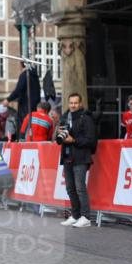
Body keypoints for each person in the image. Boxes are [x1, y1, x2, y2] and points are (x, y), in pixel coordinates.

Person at [56, 93, 96, 228]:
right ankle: (76, 215)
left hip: (81, 157)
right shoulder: (65, 117)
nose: (73, 105)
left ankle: (86, 217)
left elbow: (91, 141)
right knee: (70, 188)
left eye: (75, 103)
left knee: (80, 188)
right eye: (71, 103)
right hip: (67, 157)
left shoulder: (86, 118)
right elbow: (60, 136)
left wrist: (74, 140)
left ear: (80, 103)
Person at [4, 62, 40, 141]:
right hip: (34, 107)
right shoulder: (35, 76)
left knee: (23, 126)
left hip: (25, 106)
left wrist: (8, 99)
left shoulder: (25, 75)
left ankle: (22, 140)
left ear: (21, 65)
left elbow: (19, 89)